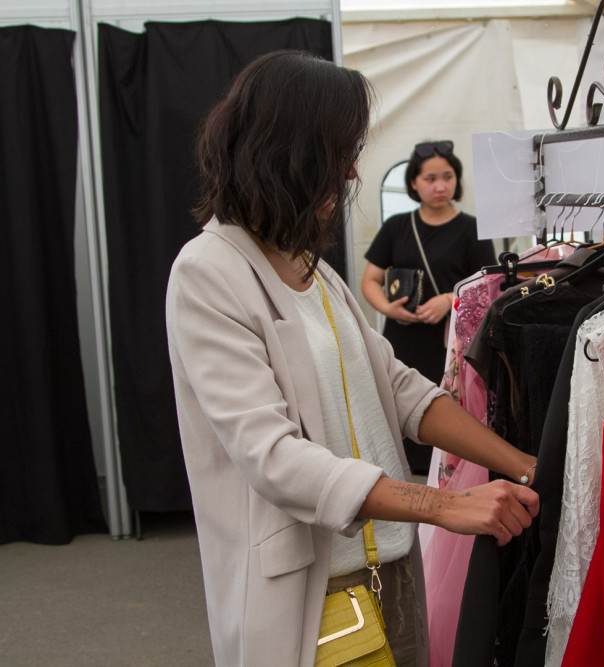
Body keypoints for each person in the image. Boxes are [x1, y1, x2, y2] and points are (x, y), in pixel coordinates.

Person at [164, 50, 539, 667]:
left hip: (390, 566)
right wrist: (445, 506)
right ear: (293, 152)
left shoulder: (314, 271)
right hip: (315, 594)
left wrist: (525, 466)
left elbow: (398, 389)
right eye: (342, 151)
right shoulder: (208, 272)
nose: (351, 170)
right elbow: (273, 456)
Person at [361, 141, 497, 475]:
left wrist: (448, 300)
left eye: (447, 177)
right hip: (403, 339)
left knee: (447, 406)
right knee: (398, 405)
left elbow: (488, 287)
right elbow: (370, 280)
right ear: (413, 182)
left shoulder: (472, 229)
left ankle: (448, 474)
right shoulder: (396, 226)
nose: (440, 186)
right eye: (430, 178)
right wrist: (388, 309)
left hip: (452, 343)